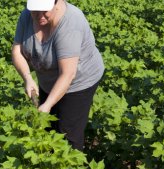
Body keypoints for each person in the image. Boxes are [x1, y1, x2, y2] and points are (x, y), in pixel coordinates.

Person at [12, 0, 104, 151]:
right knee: (48, 127)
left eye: (45, 11)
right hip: (47, 78)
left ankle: (71, 167)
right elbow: (17, 51)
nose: (40, 16)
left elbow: (68, 74)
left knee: (68, 133)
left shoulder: (71, 23)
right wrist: (28, 78)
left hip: (78, 82)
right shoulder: (27, 16)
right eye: (35, 11)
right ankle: (50, 165)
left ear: (57, 3)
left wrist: (47, 104)